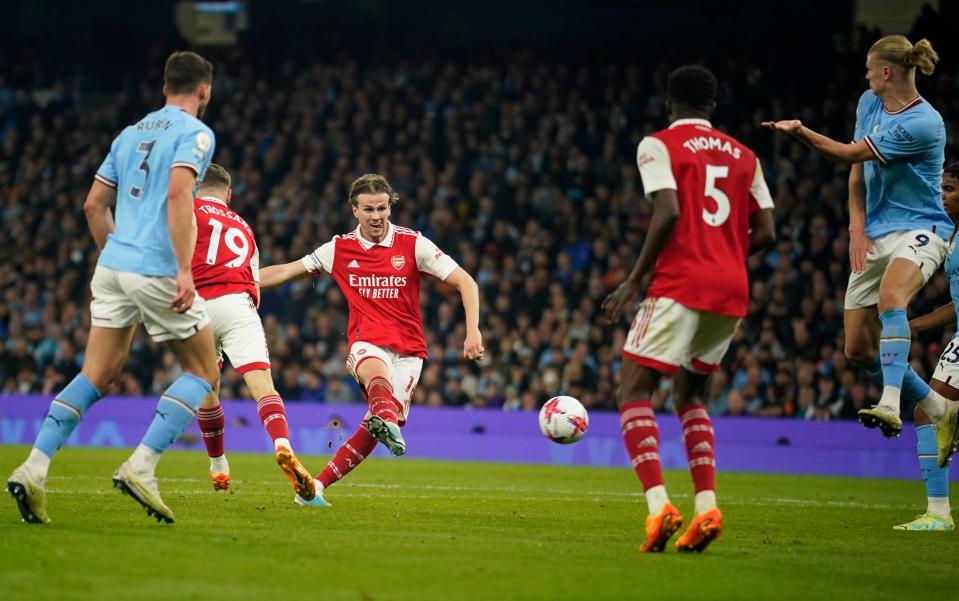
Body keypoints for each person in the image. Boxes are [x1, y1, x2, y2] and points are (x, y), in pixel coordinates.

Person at [6, 51, 220, 524]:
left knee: (97, 375)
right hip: (157, 268)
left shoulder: (130, 134)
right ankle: (141, 465)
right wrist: (183, 270)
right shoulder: (196, 133)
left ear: (165, 88)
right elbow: (180, 192)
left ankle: (33, 467)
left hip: (113, 265)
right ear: (204, 90)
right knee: (205, 370)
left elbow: (92, 205)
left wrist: (116, 258)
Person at [602, 65, 776, 552]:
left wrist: (634, 280)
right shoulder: (745, 155)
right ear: (713, 107)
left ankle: (659, 508)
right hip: (731, 289)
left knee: (634, 390)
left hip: (680, 284)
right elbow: (767, 233)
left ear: (668, 104)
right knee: (691, 396)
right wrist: (724, 257)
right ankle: (706, 508)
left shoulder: (656, 145)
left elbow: (669, 211)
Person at [762, 36, 955, 440]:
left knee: (891, 298)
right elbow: (858, 165)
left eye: (870, 67)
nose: (865, 73)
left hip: (922, 226)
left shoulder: (923, 122)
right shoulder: (869, 102)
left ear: (887, 71)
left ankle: (889, 403)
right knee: (857, 349)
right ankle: (939, 408)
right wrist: (855, 227)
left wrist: (800, 131)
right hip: (875, 233)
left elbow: (846, 154)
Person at [259, 173, 484, 506]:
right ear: (355, 210)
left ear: (390, 207)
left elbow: (466, 281)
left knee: (370, 426)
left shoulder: (413, 244)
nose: (377, 216)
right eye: (369, 209)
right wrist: (238, 281)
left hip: (409, 353)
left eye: (382, 208)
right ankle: (389, 419)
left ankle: (315, 488)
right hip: (366, 342)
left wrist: (473, 331)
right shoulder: (338, 249)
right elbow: (284, 271)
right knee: (376, 376)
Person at [189, 163, 316, 500]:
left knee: (207, 386)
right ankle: (283, 444)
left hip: (199, 303)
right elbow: (254, 278)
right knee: (262, 385)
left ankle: (218, 466)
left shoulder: (186, 210)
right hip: (238, 304)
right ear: (228, 194)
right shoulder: (244, 227)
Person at [897, 163, 959, 531]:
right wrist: (916, 324)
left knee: (930, 413)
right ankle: (938, 513)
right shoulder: (953, 236)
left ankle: (938, 514)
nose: (943, 196)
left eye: (950, 189)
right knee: (937, 416)